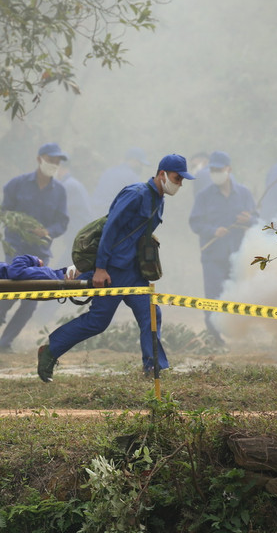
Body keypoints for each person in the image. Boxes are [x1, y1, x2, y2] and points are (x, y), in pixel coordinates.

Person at [36, 153, 195, 383]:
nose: (179, 184)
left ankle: (154, 369)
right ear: (162, 174)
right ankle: (50, 349)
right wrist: (101, 268)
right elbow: (110, 228)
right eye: (177, 178)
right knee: (97, 322)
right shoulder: (136, 193)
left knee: (151, 314)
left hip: (134, 272)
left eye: (181, 180)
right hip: (113, 270)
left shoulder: (159, 200)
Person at [0, 142, 70, 353]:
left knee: (32, 301)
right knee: (14, 287)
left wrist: (47, 231)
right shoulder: (16, 185)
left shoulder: (59, 191)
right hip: (15, 246)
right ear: (39, 159)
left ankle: (5, 343)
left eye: (57, 162)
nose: (54, 165)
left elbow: (62, 222)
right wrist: (18, 224)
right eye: (51, 160)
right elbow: (4, 213)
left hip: (41, 251)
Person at [188, 151, 258, 346]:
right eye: (212, 170)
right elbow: (195, 223)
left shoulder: (244, 193)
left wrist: (249, 220)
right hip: (212, 255)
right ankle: (213, 336)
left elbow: (257, 220)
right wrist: (212, 231)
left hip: (237, 255)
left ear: (229, 169)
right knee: (212, 296)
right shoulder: (204, 196)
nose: (215, 173)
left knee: (238, 294)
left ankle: (239, 333)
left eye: (219, 169)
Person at [91, 147, 150, 215]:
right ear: (134, 160)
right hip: (113, 215)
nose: (141, 167)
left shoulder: (109, 172)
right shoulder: (131, 176)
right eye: (140, 164)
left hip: (96, 213)